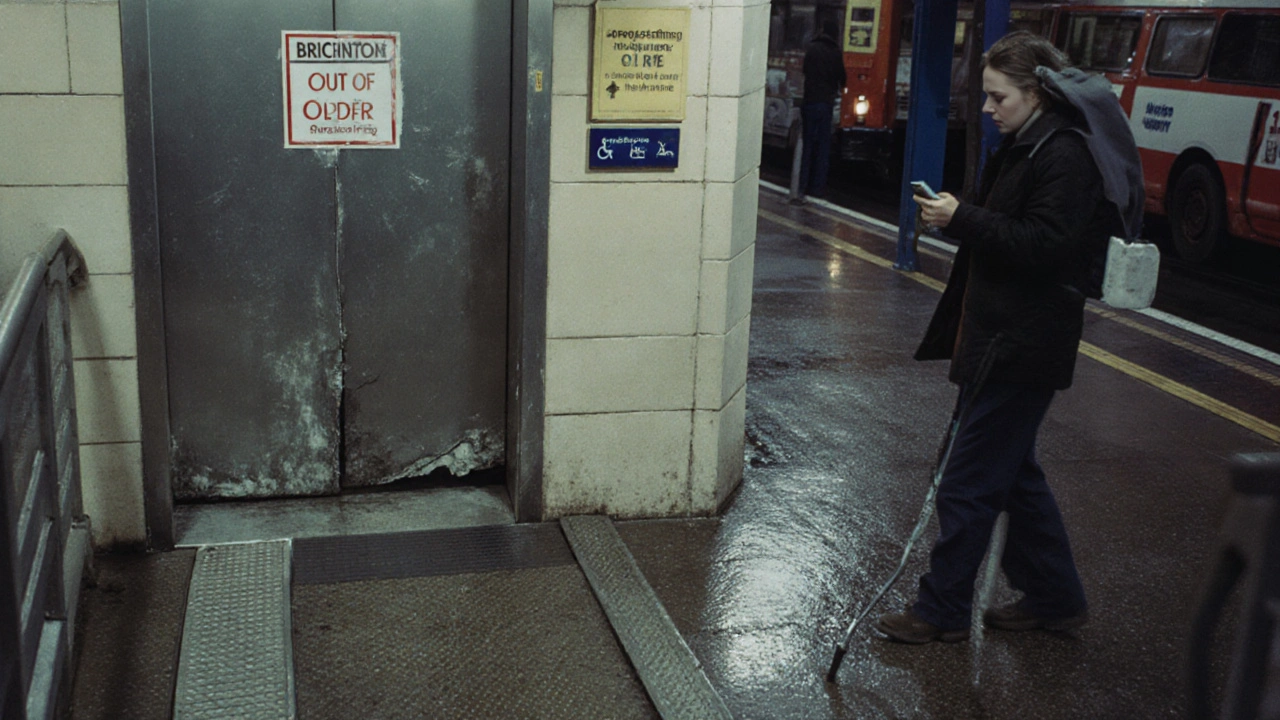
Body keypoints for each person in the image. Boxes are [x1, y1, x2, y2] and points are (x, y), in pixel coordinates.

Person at [875, 31, 1139, 644]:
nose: (988, 109)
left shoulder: (1065, 156)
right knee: (1013, 477)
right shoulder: (1026, 145)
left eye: (998, 97)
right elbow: (1016, 229)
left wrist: (960, 217)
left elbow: (1046, 245)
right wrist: (961, 214)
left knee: (967, 480)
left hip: (1022, 347)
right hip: (996, 337)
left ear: (1036, 93)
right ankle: (1055, 597)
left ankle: (939, 610)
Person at [792, 21, 846, 205]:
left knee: (807, 146)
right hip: (826, 104)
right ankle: (817, 188)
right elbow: (842, 79)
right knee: (823, 148)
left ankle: (801, 186)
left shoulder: (812, 49)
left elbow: (805, 71)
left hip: (810, 102)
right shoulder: (835, 53)